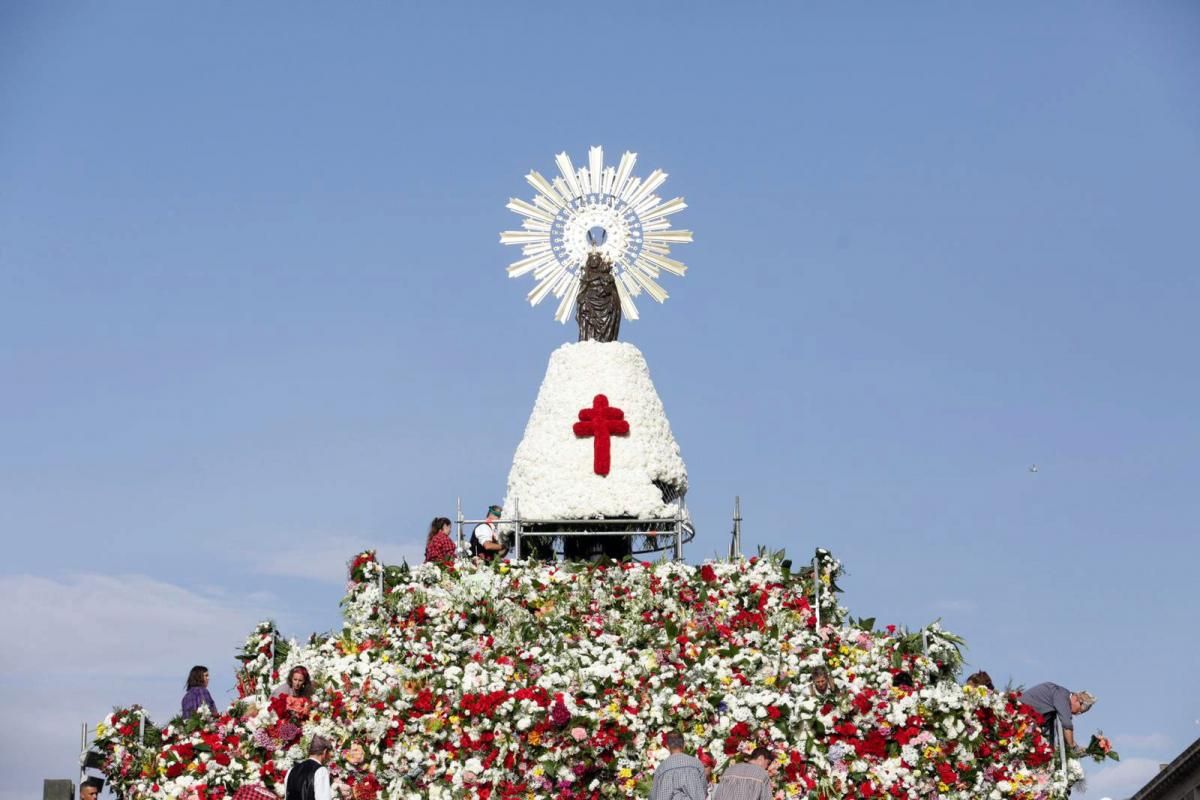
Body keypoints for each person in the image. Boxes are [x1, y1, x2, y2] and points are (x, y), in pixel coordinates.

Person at [1019, 682, 1096, 750]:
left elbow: (1060, 732)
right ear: (1078, 701)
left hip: (1026, 723)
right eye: (1079, 712)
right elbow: (1066, 725)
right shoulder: (1062, 696)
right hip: (1019, 717)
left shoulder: (1059, 702)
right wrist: (1073, 747)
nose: (1076, 714)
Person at [650, 731, 708, 800]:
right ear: (684, 745)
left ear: (667, 747)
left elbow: (653, 796)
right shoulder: (696, 764)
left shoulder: (661, 769)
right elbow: (703, 789)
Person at [284, 735, 333, 800]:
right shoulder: (321, 771)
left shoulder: (291, 770)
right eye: (329, 753)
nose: (329, 756)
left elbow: (287, 796)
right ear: (324, 751)